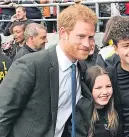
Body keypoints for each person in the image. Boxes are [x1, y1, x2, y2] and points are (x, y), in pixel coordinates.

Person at [0, 4, 97, 137]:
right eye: (80, 36)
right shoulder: (30, 65)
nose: (87, 44)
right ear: (63, 33)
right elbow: (2, 115)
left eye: (91, 37)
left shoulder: (82, 68)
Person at [76, 66, 119, 137]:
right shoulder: (80, 117)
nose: (105, 92)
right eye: (98, 88)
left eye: (108, 86)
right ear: (88, 90)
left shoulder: (114, 115)